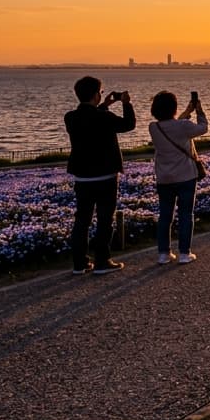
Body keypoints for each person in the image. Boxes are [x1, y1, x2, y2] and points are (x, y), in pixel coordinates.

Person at [64, 76, 135, 275]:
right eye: (100, 93)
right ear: (96, 94)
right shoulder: (104, 118)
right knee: (105, 220)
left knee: (82, 221)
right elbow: (128, 124)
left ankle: (79, 263)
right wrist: (126, 104)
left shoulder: (70, 117)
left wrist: (104, 105)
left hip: (82, 177)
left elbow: (89, 118)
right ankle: (102, 261)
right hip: (105, 177)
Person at [149, 91, 208, 266]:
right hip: (185, 176)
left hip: (164, 178)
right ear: (173, 108)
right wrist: (199, 111)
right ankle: (184, 253)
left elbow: (174, 126)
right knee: (185, 214)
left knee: (165, 216)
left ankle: (163, 254)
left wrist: (186, 111)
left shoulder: (154, 127)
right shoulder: (184, 126)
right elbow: (203, 127)